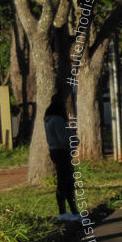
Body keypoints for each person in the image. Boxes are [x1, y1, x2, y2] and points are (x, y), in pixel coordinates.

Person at [44, 94, 81, 222]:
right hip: (63, 151)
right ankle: (68, 211)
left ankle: (68, 210)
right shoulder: (58, 120)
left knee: (65, 181)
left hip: (55, 151)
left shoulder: (48, 120)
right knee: (67, 182)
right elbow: (64, 139)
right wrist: (74, 141)